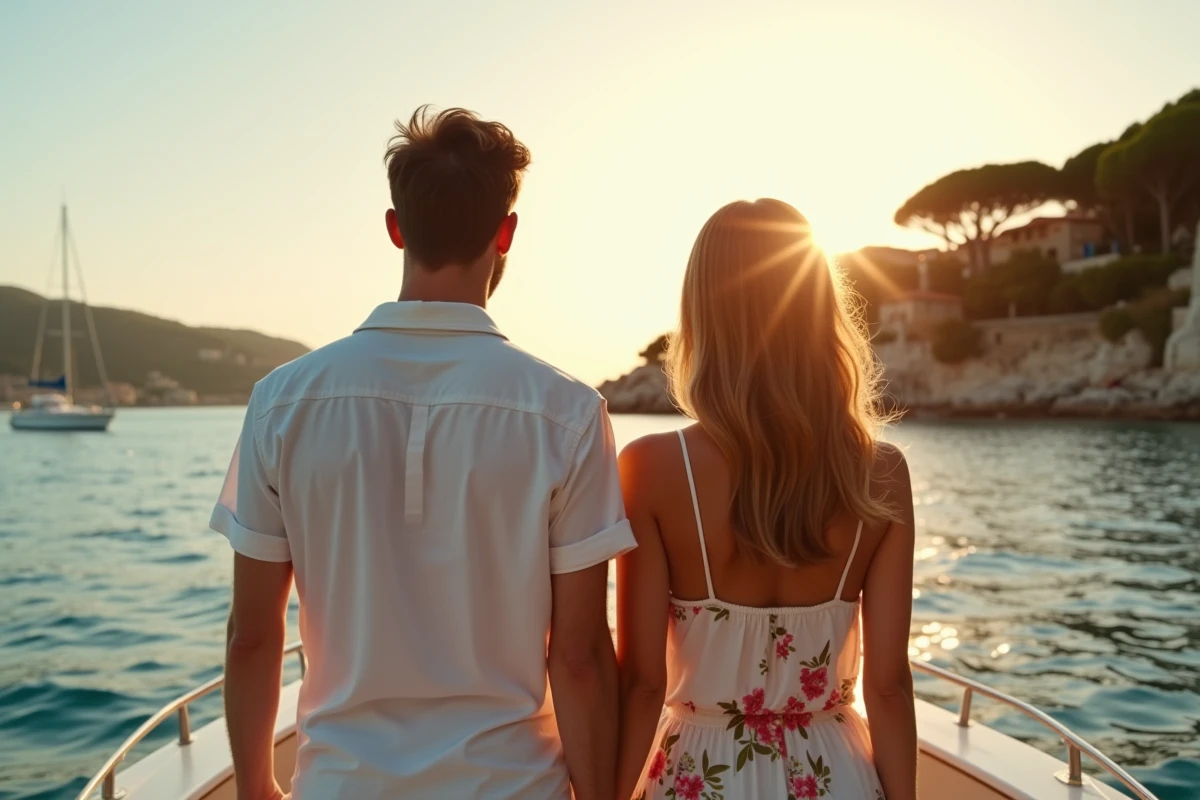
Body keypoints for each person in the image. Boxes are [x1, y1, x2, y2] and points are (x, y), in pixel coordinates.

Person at [210, 106, 636, 800]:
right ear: (506, 233)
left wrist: (257, 789)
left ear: (396, 228)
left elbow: (251, 639)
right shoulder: (568, 414)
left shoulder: (281, 403)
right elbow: (581, 656)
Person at [615, 199, 917, 800]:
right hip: (835, 774)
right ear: (820, 309)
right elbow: (888, 687)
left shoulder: (651, 468)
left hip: (699, 774)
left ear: (700, 313)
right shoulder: (881, 472)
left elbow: (643, 685)